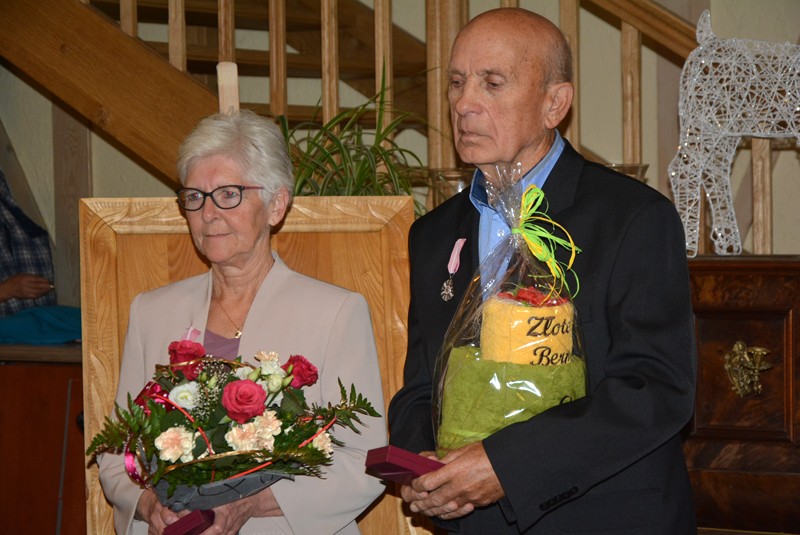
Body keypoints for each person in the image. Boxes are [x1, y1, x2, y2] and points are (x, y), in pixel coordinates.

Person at [388, 7, 696, 534]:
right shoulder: (433, 234)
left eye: (492, 83)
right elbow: (422, 383)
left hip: (604, 519)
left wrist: (507, 467)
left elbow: (656, 388)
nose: (464, 103)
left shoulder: (632, 217)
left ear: (555, 103)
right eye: (457, 82)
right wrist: (421, 464)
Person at [98, 110, 387, 535]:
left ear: (276, 205)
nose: (208, 213)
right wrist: (146, 504)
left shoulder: (336, 312)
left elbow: (363, 462)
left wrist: (248, 504)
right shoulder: (151, 312)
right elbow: (115, 453)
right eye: (195, 196)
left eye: (228, 194)